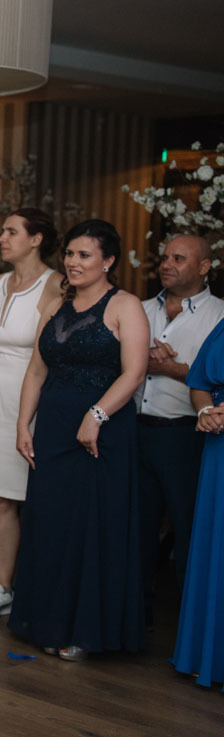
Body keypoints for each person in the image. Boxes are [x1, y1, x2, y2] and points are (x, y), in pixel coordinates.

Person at [9, 219, 149, 661]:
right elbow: (36, 370)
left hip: (101, 433)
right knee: (50, 524)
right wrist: (22, 424)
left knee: (91, 528)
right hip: (52, 429)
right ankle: (45, 621)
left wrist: (97, 415)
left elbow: (135, 372)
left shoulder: (126, 305)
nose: (73, 262)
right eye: (69, 253)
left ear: (108, 261)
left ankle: (85, 631)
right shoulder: (53, 306)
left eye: (84, 255)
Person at [0, 208, 63, 622]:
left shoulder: (57, 284)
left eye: (11, 232)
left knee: (40, 500)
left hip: (37, 401)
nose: (1, 238)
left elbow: (53, 356)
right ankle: (1, 587)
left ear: (37, 238)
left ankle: (38, 586)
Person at [136, 235, 224, 608]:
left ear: (205, 267)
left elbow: (214, 380)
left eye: (179, 258)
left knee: (190, 530)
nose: (167, 264)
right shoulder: (137, 309)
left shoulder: (220, 316)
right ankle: (133, 615)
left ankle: (190, 624)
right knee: (135, 529)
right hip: (136, 431)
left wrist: (173, 369)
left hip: (188, 435)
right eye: (164, 257)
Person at [171, 315, 224, 689]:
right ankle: (210, 656)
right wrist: (206, 411)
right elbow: (199, 382)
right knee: (214, 547)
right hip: (219, 448)